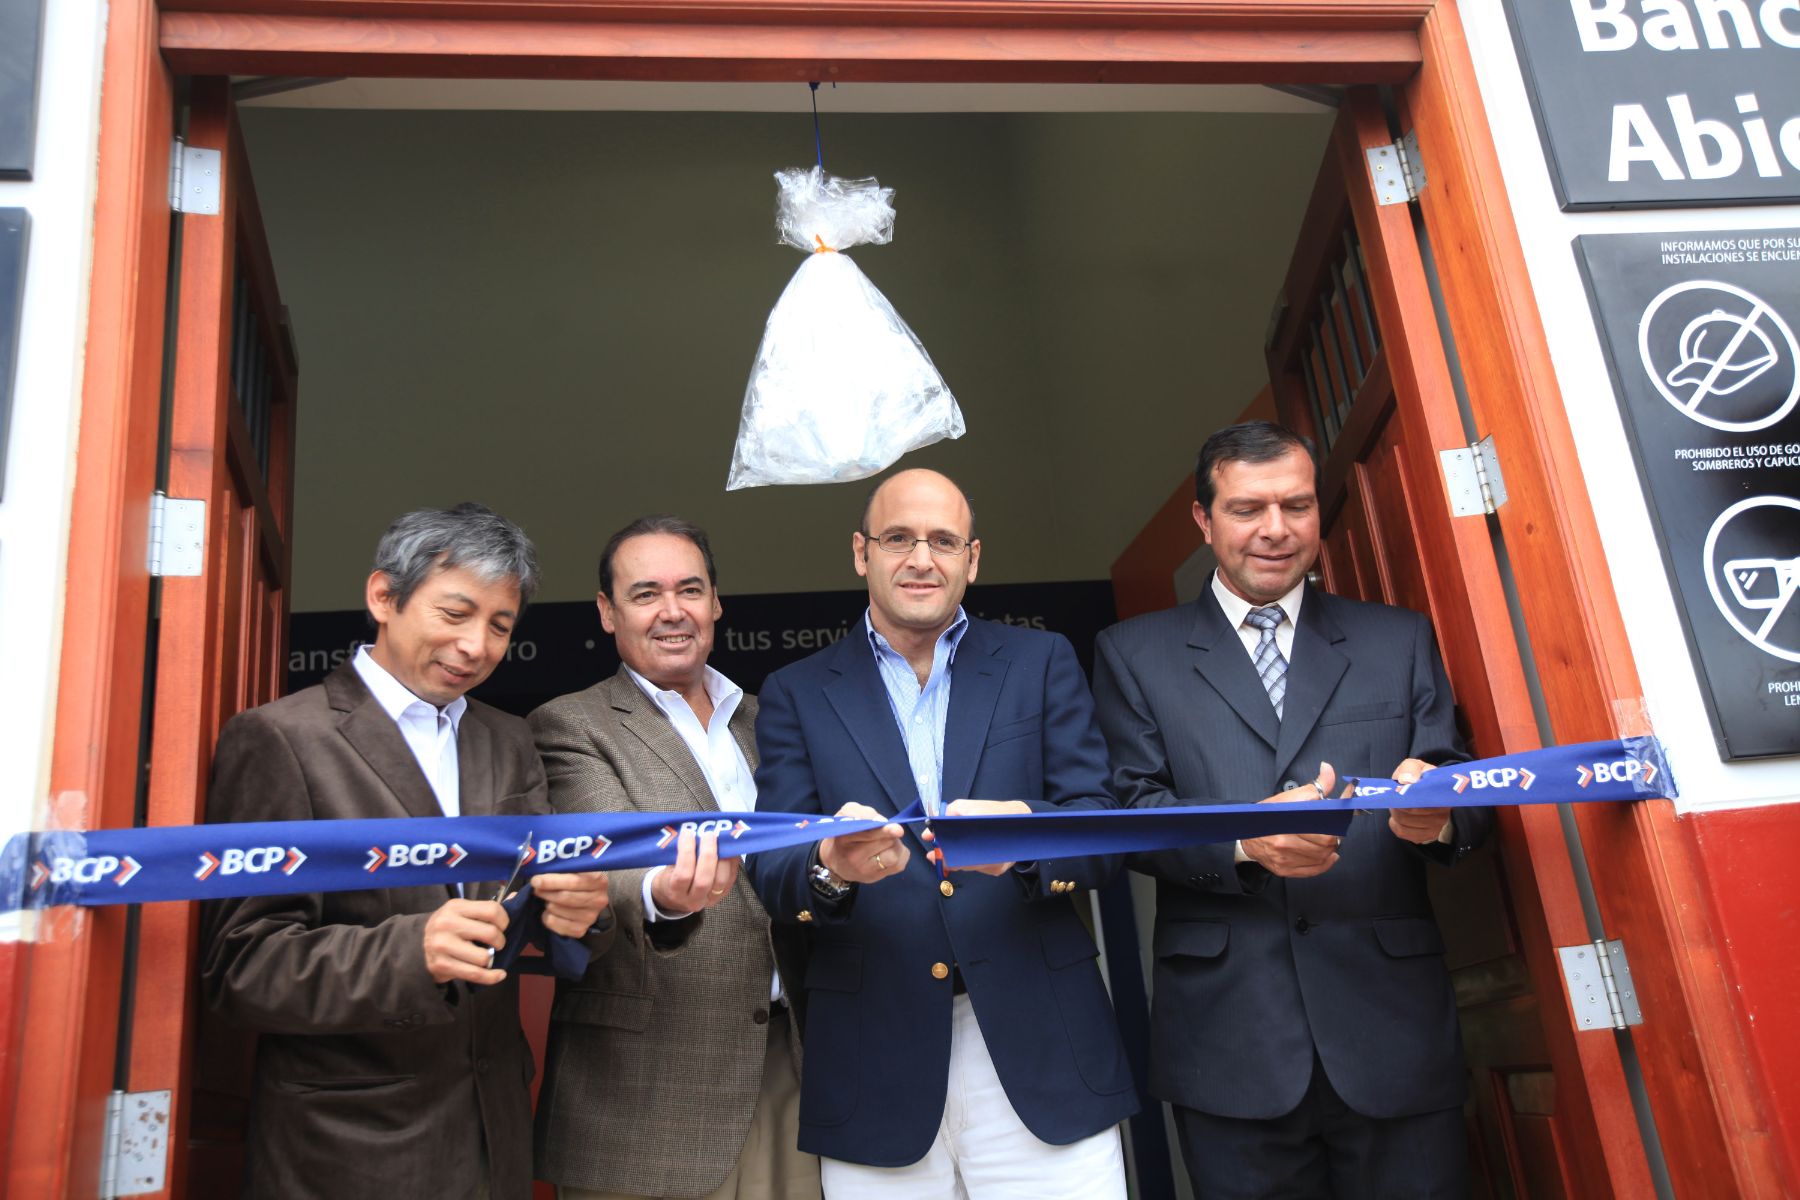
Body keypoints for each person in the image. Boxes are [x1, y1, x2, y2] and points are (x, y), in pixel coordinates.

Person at [1091, 421, 1492, 1199]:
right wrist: (1244, 843)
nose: (1276, 530)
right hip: (1228, 1037)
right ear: (1204, 521)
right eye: (1247, 509)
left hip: (1391, 1031)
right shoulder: (1133, 653)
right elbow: (1128, 812)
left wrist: (1438, 815)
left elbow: (1461, 784)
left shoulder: (1397, 639)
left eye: (1297, 506)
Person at [199, 502, 613, 1200]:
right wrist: (408, 952)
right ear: (383, 597)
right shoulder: (281, 739)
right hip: (350, 1147)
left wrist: (577, 915)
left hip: (495, 1134)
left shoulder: (509, 739)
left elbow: (528, 913)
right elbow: (239, 965)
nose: (477, 645)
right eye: (456, 613)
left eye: (500, 626)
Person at [745, 468, 1137, 1199]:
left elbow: (1103, 832)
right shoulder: (796, 691)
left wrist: (1024, 845)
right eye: (898, 538)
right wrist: (830, 865)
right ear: (862, 553)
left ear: (973, 559)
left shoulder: (1040, 662)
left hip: (1041, 1049)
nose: (921, 559)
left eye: (943, 541)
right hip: (873, 1057)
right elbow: (773, 871)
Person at [530, 515, 818, 1200]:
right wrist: (664, 893)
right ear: (607, 612)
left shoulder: (769, 718)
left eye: (690, 589)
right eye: (645, 593)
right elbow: (608, 856)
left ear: (716, 601)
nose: (672, 611)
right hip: (645, 1090)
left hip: (790, 1063)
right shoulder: (571, 724)